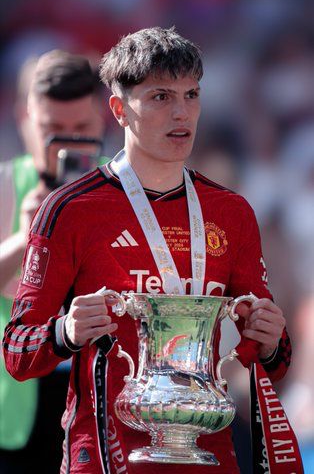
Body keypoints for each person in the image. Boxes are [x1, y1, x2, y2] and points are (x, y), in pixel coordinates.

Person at [2, 28, 297, 474]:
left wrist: (272, 340)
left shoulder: (231, 212)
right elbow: (17, 353)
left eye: (191, 94)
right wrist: (66, 330)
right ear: (119, 110)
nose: (182, 113)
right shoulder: (67, 209)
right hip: (104, 458)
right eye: (161, 97)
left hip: (208, 455)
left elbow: (273, 365)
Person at [0, 49, 106, 473]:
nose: (66, 143)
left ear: (105, 118)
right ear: (24, 118)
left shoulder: (124, 188)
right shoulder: (7, 184)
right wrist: (24, 239)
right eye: (52, 130)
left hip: (96, 396)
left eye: (81, 128)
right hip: (16, 402)